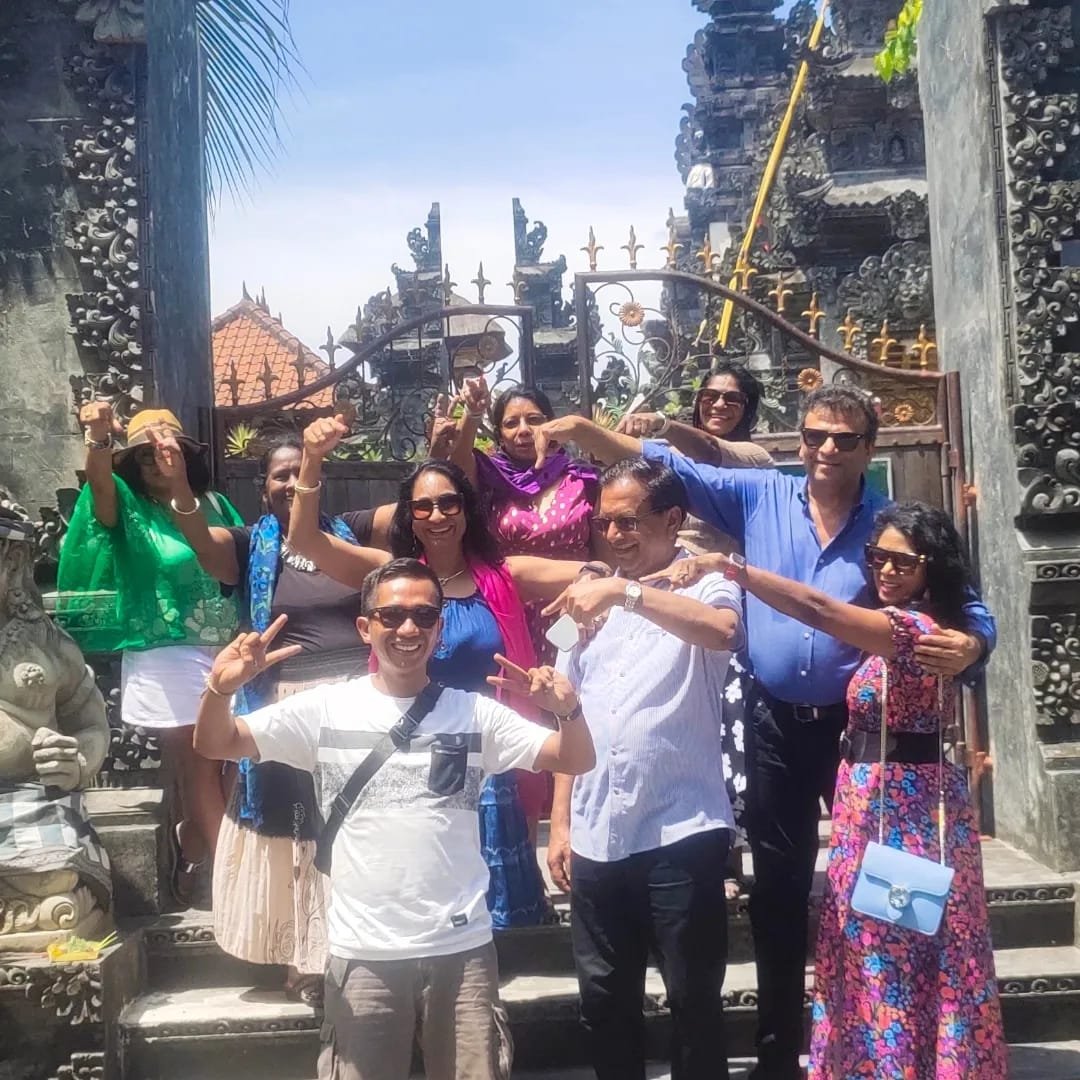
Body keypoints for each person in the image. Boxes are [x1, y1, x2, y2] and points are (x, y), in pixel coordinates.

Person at [528, 385, 996, 1079]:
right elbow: (659, 462)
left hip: (865, 742)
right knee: (779, 895)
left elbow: (958, 598)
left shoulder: (887, 528)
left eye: (844, 438)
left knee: (886, 898)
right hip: (776, 723)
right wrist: (582, 431)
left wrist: (977, 642)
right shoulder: (760, 494)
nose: (826, 449)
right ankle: (784, 1056)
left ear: (869, 447)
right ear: (797, 439)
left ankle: (906, 1050)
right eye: (814, 435)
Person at [193, 558, 596, 1080]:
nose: (408, 628)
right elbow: (216, 742)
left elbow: (574, 758)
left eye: (424, 616)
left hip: (461, 952)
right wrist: (220, 690)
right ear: (365, 627)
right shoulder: (325, 709)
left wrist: (568, 711)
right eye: (392, 615)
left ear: (439, 629)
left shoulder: (474, 713)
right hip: (364, 953)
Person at [650, 502, 1008, 1077]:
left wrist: (733, 569)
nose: (886, 570)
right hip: (874, 797)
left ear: (932, 567)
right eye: (878, 557)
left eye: (904, 562)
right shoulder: (906, 619)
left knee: (893, 939)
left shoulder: (915, 629)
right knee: (882, 937)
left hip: (905, 805)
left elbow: (817, 609)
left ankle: (898, 1065)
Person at [287, 415, 599, 928]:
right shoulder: (391, 579)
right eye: (423, 506)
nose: (437, 515)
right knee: (419, 899)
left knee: (498, 922)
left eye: (449, 503)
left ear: (466, 510)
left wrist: (570, 632)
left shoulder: (505, 575)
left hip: (487, 766)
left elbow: (596, 575)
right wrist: (312, 458)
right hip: (407, 760)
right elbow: (305, 540)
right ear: (408, 517)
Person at [153, 430, 392, 1001]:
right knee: (301, 832)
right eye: (279, 475)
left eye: (299, 472)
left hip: (358, 703)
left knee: (358, 828)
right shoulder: (245, 546)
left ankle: (364, 947)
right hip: (288, 709)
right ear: (262, 490)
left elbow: (417, 507)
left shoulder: (348, 533)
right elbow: (198, 540)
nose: (290, 483)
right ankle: (306, 959)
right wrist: (179, 484)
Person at [544, 456, 743, 1080]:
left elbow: (724, 632)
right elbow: (568, 714)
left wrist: (625, 594)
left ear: (673, 518)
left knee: (692, 999)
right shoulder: (587, 604)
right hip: (596, 831)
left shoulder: (704, 583)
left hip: (680, 829)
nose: (615, 535)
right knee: (604, 999)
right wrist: (559, 823)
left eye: (628, 521)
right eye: (605, 523)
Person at [56, 404, 243, 908]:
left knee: (231, 762)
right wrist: (99, 438)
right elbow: (99, 483)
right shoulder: (125, 505)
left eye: (167, 449)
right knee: (202, 762)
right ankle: (234, 883)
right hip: (164, 650)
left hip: (226, 646)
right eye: (145, 454)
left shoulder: (216, 504)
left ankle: (194, 844)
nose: (158, 459)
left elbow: (241, 566)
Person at [618, 361, 773, 899]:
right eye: (710, 395)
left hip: (718, 602)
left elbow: (710, 450)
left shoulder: (753, 461)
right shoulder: (669, 463)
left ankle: (727, 855)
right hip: (660, 596)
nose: (719, 404)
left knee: (726, 733)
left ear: (748, 408)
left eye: (732, 398)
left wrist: (661, 426)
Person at [431, 377, 600, 845]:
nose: (524, 430)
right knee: (519, 726)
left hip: (573, 619)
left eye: (534, 419)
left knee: (573, 712)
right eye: (511, 423)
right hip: (510, 619)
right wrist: (471, 413)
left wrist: (593, 604)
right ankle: (520, 846)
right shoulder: (490, 481)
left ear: (553, 424)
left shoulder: (583, 480)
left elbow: (602, 552)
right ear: (499, 433)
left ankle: (574, 835)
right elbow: (458, 468)